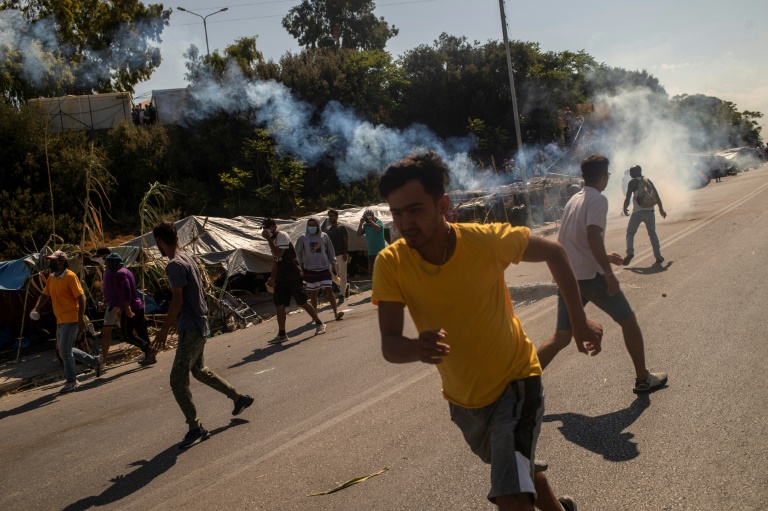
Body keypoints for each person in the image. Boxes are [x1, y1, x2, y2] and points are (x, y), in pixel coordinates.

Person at [373, 151, 603, 511]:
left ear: (443, 205)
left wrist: (577, 321)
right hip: (464, 401)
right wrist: (416, 348)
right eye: (397, 212)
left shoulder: (484, 241)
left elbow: (555, 252)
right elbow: (390, 344)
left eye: (415, 209)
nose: (405, 222)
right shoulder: (391, 263)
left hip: (516, 381)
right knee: (513, 469)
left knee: (510, 494)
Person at [537, 155, 668, 394]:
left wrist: (604, 256)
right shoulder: (598, 199)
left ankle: (519, 385)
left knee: (561, 337)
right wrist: (608, 272)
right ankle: (642, 378)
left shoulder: (574, 200)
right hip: (591, 278)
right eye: (607, 174)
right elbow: (592, 235)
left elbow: (568, 241)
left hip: (570, 278)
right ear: (603, 175)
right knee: (628, 322)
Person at [152, 222, 254, 449]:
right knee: (198, 370)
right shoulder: (187, 257)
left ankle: (195, 428)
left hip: (191, 326)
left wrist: (163, 329)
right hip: (200, 322)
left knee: (177, 380)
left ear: (159, 241)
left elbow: (177, 300)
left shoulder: (175, 265)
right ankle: (239, 399)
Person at [31, 250, 103, 392]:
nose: (50, 263)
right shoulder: (52, 278)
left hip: (71, 318)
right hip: (60, 319)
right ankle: (95, 361)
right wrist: (36, 308)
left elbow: (81, 297)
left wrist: (81, 318)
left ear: (61, 262)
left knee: (64, 351)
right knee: (66, 350)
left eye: (53, 261)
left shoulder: (70, 277)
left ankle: (72, 381)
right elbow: (45, 295)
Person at [261, 218, 326, 344]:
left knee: (302, 302)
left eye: (267, 228)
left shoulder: (282, 236)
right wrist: (273, 277)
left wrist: (269, 240)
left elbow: (279, 253)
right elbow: (276, 260)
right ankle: (282, 334)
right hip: (281, 277)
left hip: (292, 274)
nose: (265, 231)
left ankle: (319, 323)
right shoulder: (274, 240)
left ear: (274, 227)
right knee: (279, 305)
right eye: (263, 229)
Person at [101, 252, 158, 368]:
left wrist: (126, 307)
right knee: (142, 332)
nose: (106, 266)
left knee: (126, 334)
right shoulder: (126, 271)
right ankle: (149, 356)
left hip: (131, 307)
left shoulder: (120, 273)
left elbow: (126, 289)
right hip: (138, 306)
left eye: (108, 263)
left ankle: (149, 350)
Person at [296, 216, 344, 321]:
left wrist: (334, 264)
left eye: (314, 225)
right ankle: (315, 315)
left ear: (318, 225)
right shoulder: (303, 238)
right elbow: (298, 252)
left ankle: (336, 312)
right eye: (310, 225)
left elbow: (331, 251)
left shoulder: (324, 236)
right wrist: (302, 265)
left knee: (329, 290)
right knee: (314, 292)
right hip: (310, 269)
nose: (312, 227)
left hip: (324, 267)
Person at [622, 164, 666, 265]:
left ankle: (630, 252)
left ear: (637, 172)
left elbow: (628, 197)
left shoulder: (632, 182)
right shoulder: (648, 181)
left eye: (631, 171)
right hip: (650, 212)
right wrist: (661, 210)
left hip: (637, 213)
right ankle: (658, 256)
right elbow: (656, 195)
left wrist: (625, 207)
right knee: (652, 234)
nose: (630, 173)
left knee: (630, 233)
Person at [322, 209, 350, 303]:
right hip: (331, 257)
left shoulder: (342, 228)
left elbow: (346, 241)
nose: (331, 217)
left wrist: (345, 253)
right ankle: (345, 286)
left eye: (333, 216)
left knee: (343, 274)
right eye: (330, 216)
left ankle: (342, 294)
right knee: (333, 277)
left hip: (341, 254)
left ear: (337, 217)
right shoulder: (327, 230)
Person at [356, 209, 386, 276]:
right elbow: (358, 234)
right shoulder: (366, 226)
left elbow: (378, 229)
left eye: (368, 218)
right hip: (371, 252)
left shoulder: (379, 222)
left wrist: (371, 221)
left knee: (382, 272)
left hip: (380, 252)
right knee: (372, 273)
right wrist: (361, 223)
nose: (367, 220)